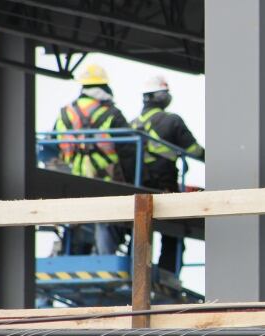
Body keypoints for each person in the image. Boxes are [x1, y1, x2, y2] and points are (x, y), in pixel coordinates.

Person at [128, 75, 205, 273]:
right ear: (159, 97)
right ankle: (168, 273)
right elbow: (195, 151)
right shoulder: (171, 121)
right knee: (172, 231)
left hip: (138, 185)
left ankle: (134, 270)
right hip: (164, 185)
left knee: (139, 231)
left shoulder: (132, 124)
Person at [53, 63, 130, 255]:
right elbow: (129, 150)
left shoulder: (65, 114)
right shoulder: (112, 113)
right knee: (104, 220)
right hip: (105, 180)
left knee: (77, 221)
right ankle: (105, 257)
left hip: (73, 179)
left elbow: (52, 144)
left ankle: (72, 253)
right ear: (104, 87)